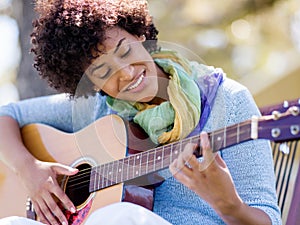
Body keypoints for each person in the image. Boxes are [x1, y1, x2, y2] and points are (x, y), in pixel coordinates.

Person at [0, 0, 281, 224]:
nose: (127, 72)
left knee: (118, 216)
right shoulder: (98, 108)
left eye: (125, 51)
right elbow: (5, 114)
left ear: (141, 35)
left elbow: (268, 220)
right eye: (103, 71)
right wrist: (28, 169)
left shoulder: (228, 100)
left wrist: (227, 203)